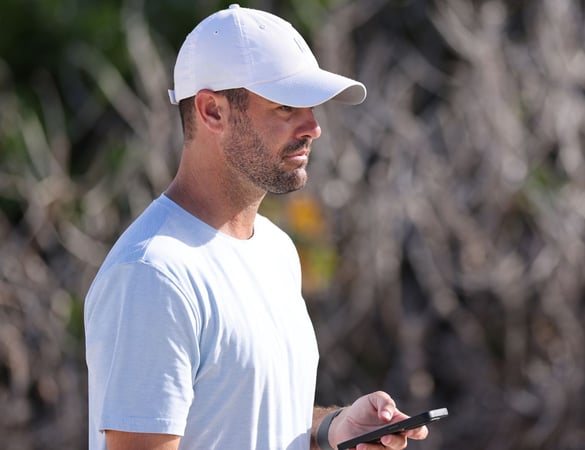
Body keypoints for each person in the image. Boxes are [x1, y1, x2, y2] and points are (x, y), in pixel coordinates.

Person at [84, 4, 428, 450]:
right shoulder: (152, 275)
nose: (314, 128)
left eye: (312, 106)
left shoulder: (275, 248)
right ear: (212, 111)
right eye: (286, 107)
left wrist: (332, 428)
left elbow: (241, 416)